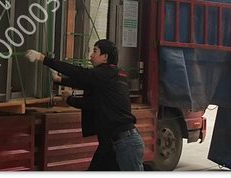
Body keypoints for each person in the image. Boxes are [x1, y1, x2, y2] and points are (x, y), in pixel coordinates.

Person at [25, 40, 144, 171]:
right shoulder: (114, 76)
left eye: (95, 51)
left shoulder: (105, 74)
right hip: (111, 144)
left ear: (105, 57)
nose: (91, 55)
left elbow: (79, 73)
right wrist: (61, 83)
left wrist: (43, 58)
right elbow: (90, 100)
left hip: (125, 144)